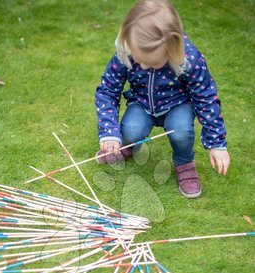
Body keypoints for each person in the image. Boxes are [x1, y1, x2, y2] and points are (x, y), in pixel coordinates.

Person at [95, 0, 230, 198]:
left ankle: (185, 164)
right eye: (139, 60)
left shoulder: (190, 59)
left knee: (181, 132)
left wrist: (216, 143)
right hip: (141, 102)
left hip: (178, 105)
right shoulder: (128, 51)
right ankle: (128, 146)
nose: (142, 64)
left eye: (151, 62)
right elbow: (107, 90)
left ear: (171, 49)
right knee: (131, 130)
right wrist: (109, 133)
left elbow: (206, 99)